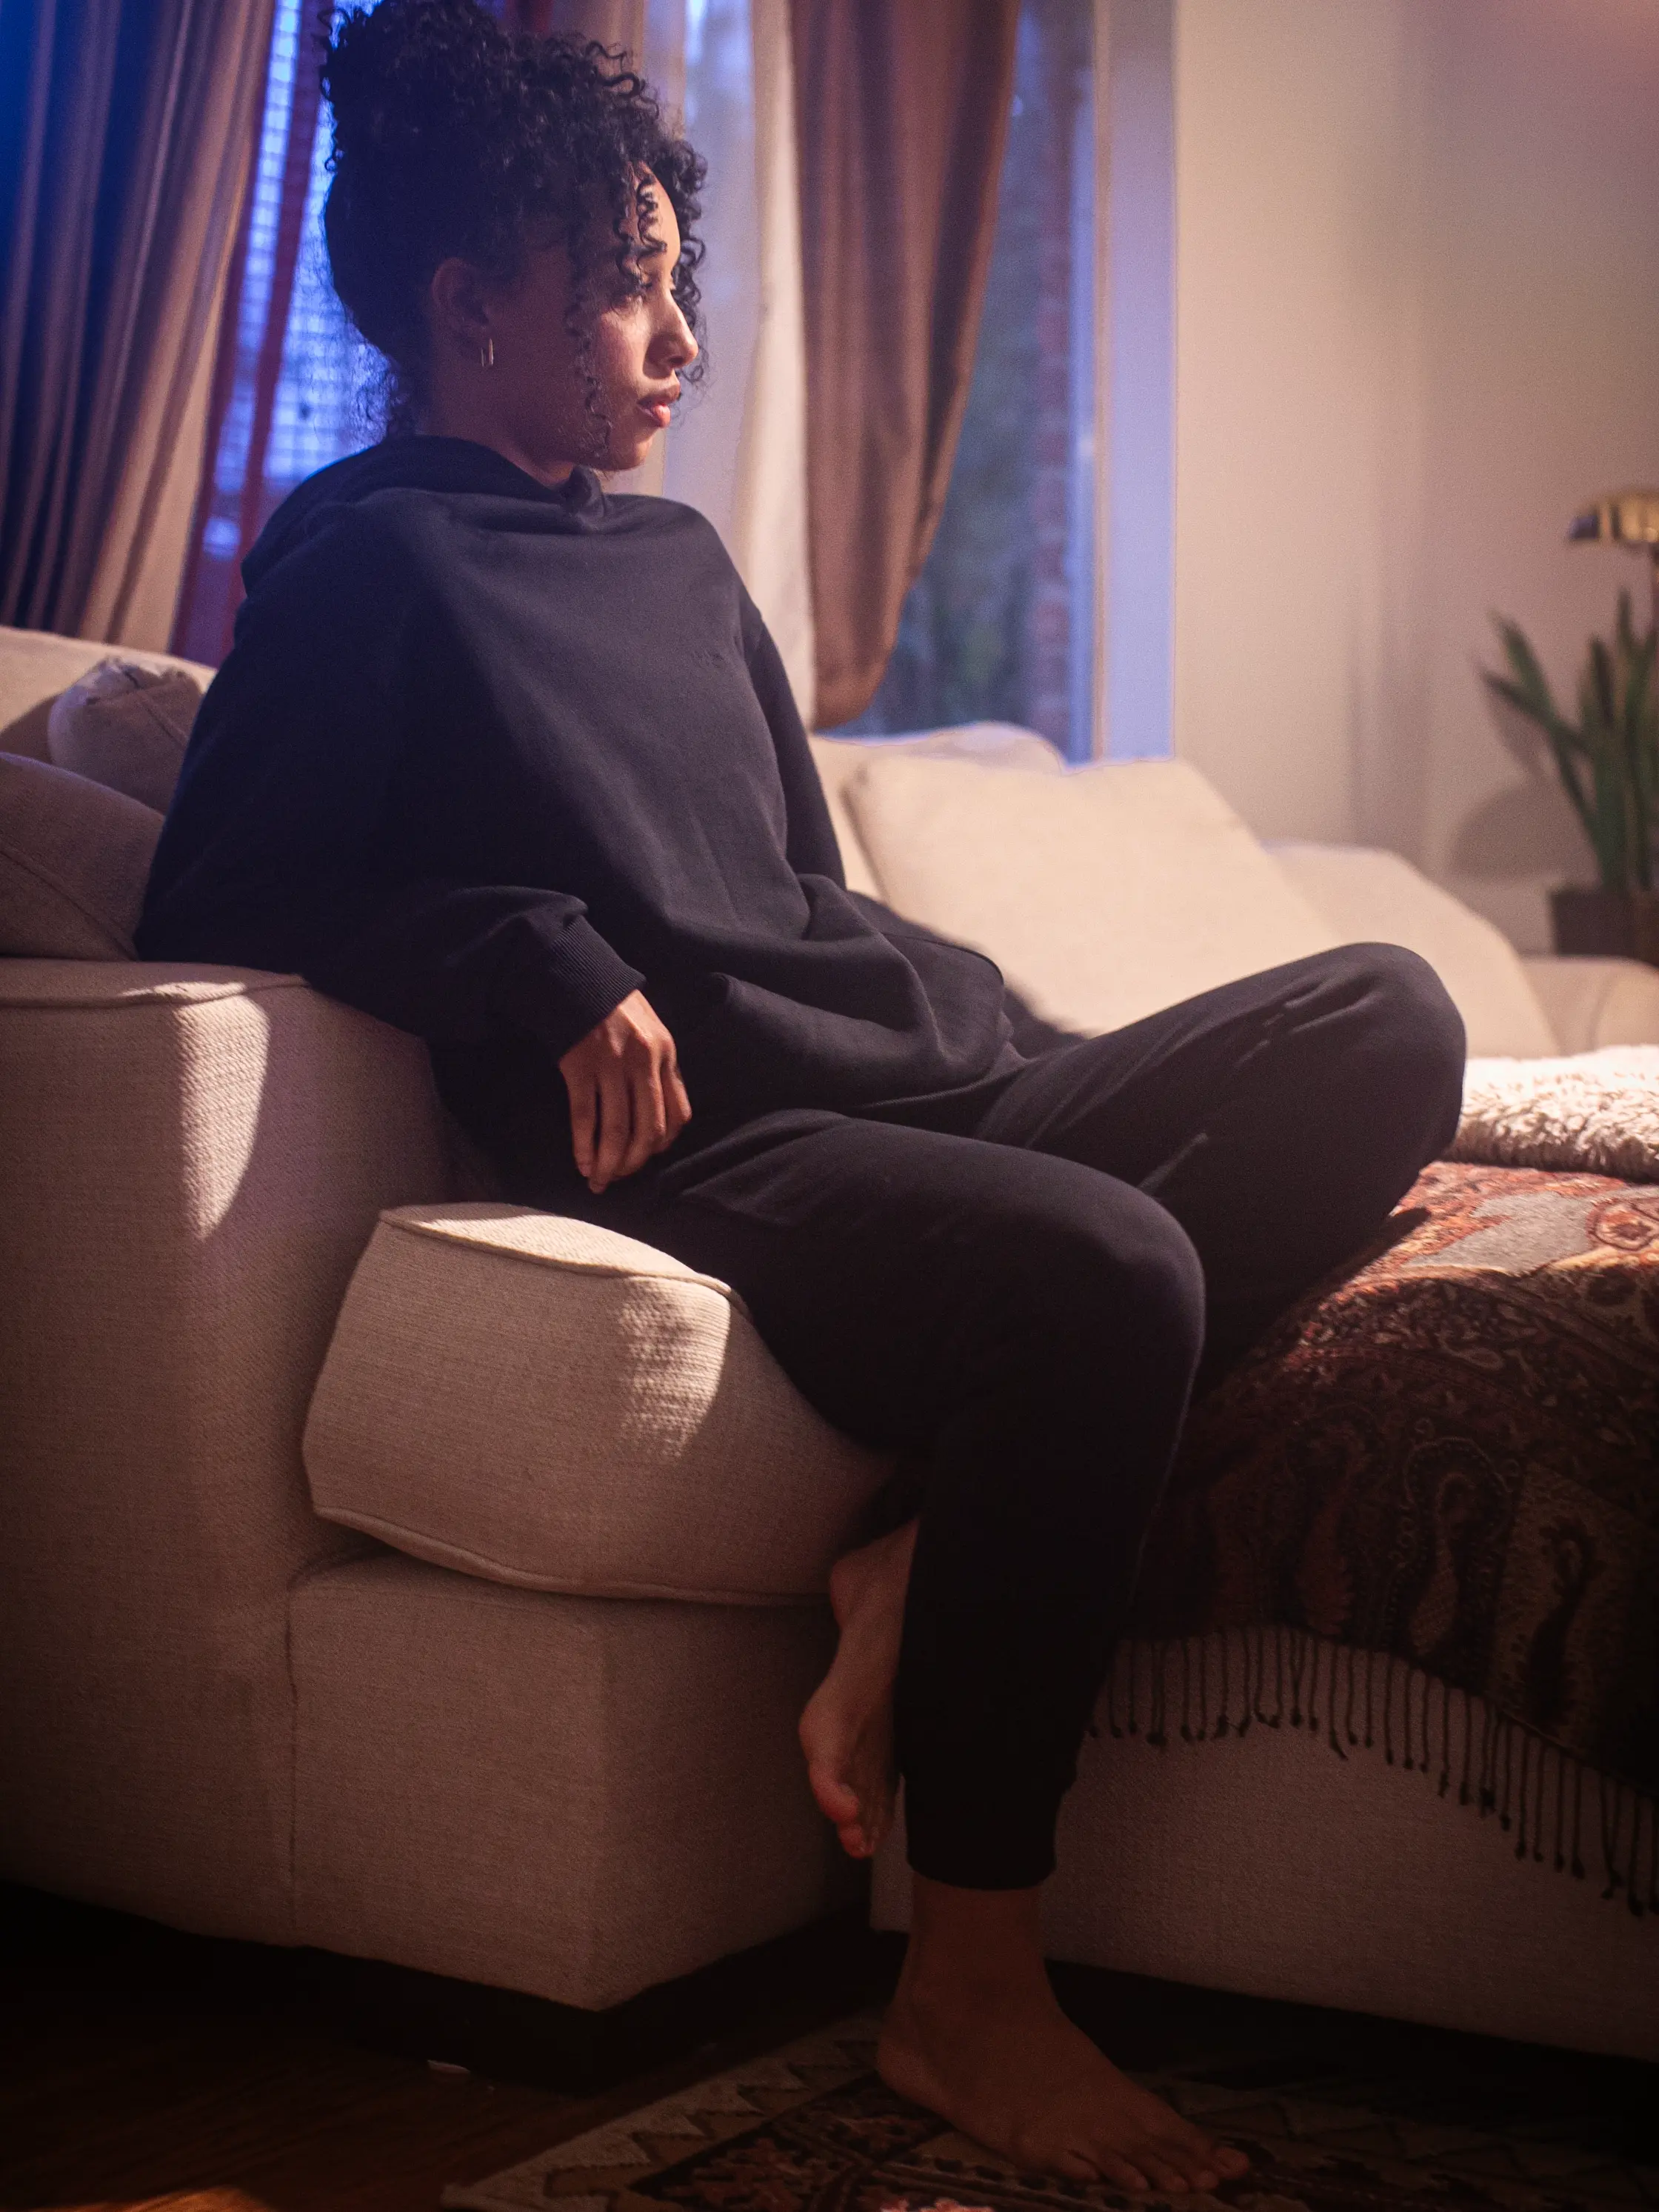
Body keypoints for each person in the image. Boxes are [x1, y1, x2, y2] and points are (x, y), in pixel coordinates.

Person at [138, 0, 1466, 2186]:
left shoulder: (671, 558)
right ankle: (967, 1995)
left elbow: (798, 901)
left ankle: (917, 1562)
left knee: (1397, 1018)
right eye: (628, 286)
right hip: (730, 1160)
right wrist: (529, 950)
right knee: (1112, 1274)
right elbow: (228, 881)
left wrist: (1034, 1050)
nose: (679, 340)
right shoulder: (364, 561)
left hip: (924, 1076)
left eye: (681, 281)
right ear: (470, 307)